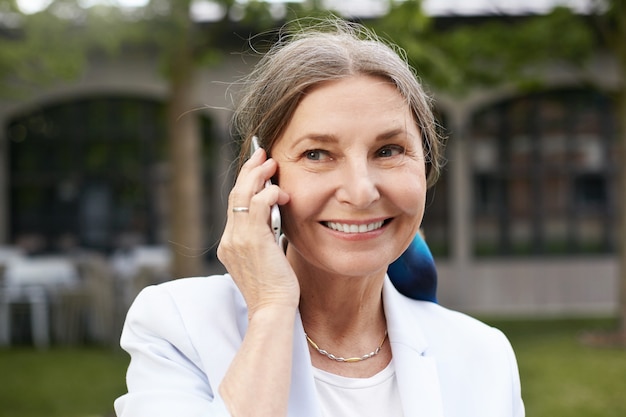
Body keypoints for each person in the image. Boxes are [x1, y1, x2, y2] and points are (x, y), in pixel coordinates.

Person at [114, 18, 524, 417]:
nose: (361, 192)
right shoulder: (178, 326)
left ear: (426, 166)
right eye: (317, 154)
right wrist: (272, 310)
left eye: (388, 151)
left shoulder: (483, 355)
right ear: (262, 174)